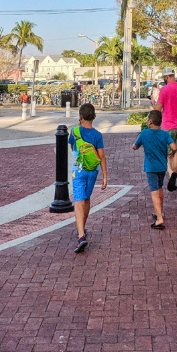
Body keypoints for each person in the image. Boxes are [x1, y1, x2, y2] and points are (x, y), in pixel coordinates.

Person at [69, 102, 107, 253]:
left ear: (80, 117)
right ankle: (82, 228)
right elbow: (102, 156)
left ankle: (81, 235)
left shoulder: (75, 131)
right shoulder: (98, 135)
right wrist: (105, 176)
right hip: (93, 170)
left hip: (78, 170)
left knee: (78, 201)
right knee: (87, 198)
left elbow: (72, 147)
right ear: (95, 117)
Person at [132, 109, 177, 229]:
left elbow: (135, 147)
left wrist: (136, 144)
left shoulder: (144, 133)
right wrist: (172, 153)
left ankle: (159, 219)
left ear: (151, 121)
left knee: (154, 191)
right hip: (162, 166)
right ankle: (159, 212)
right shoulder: (165, 134)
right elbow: (174, 146)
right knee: (159, 188)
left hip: (151, 167)